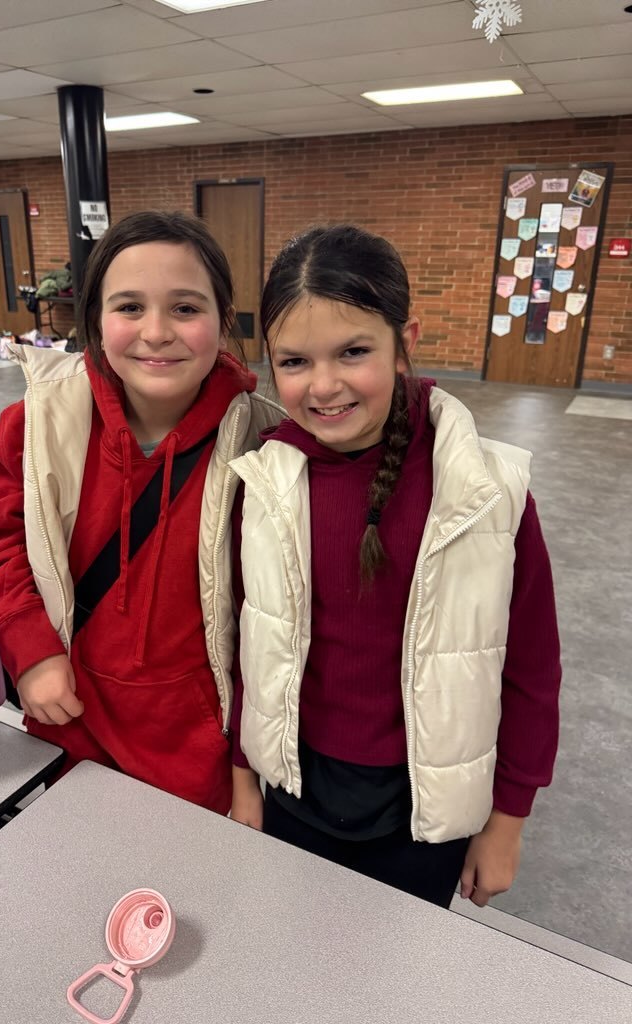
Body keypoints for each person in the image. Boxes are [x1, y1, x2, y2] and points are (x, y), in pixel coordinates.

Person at [228, 224, 561, 908]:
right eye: (293, 362)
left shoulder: (486, 493)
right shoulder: (264, 479)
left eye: (353, 352)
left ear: (405, 340)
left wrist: (507, 823)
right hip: (294, 790)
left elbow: (531, 667)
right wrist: (242, 776)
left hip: (423, 814)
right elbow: (248, 641)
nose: (323, 386)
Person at [0, 210, 281, 815]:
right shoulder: (36, 426)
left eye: (186, 308)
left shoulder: (264, 444)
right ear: (95, 320)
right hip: (69, 713)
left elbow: (279, 617)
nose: (156, 331)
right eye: (129, 306)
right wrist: (31, 650)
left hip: (198, 740)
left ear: (223, 321)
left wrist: (246, 765)